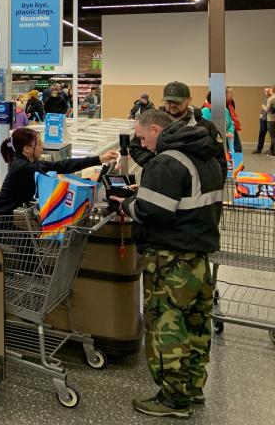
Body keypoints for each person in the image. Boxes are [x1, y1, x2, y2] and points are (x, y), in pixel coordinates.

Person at [113, 109, 222, 418]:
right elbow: (185, 202)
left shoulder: (166, 162)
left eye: (143, 137)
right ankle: (193, 388)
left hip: (170, 260)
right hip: (198, 260)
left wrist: (127, 202)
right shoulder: (206, 157)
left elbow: (151, 212)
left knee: (167, 327)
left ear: (157, 130)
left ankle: (173, 400)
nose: (142, 144)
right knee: (195, 326)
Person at [0, 127, 118, 216]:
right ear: (27, 148)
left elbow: (62, 165)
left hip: (9, 219)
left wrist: (100, 159)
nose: (42, 146)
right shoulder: (24, 167)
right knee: (31, 250)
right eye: (39, 143)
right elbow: (56, 186)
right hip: (0, 222)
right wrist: (89, 181)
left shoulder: (30, 163)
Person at [130, 82, 226, 181]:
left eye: (177, 102)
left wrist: (215, 185)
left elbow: (219, 160)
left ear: (189, 100)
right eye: (168, 102)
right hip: (159, 180)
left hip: (194, 185)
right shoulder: (152, 122)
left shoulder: (205, 126)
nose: (172, 105)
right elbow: (135, 147)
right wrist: (155, 164)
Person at [253, 86, 273, 154]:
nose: (267, 92)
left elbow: (267, 109)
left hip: (270, 120)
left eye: (268, 91)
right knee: (261, 134)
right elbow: (263, 108)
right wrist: (261, 115)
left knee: (272, 136)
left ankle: (272, 150)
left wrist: (264, 108)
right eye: (265, 91)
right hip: (263, 120)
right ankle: (259, 149)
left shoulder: (272, 99)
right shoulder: (265, 99)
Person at [224, 88, 241, 154]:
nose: (232, 93)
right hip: (228, 129)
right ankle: (236, 161)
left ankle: (236, 160)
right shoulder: (223, 104)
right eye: (230, 92)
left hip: (232, 127)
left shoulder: (231, 103)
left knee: (234, 147)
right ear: (225, 94)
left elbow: (232, 115)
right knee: (236, 148)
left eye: (232, 91)